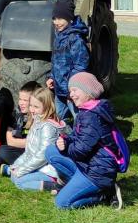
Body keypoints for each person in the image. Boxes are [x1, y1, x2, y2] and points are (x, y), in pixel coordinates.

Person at [43, 72, 122, 209]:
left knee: (62, 203)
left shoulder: (91, 117)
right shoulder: (87, 111)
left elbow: (80, 150)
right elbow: (77, 137)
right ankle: (81, 187)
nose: (71, 94)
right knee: (51, 151)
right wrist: (65, 140)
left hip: (97, 172)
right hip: (88, 165)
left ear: (88, 92)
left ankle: (103, 195)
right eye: (70, 91)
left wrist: (66, 147)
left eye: (75, 90)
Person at [4, 86, 64, 192]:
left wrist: (21, 170)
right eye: (31, 105)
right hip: (39, 167)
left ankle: (54, 185)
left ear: (46, 106)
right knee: (14, 176)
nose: (32, 109)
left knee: (18, 181)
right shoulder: (37, 121)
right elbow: (29, 151)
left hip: (49, 171)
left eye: (36, 107)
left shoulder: (48, 127)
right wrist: (16, 166)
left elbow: (42, 156)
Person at [48, 0, 90, 123]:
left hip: (72, 91)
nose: (56, 22)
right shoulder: (59, 35)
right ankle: (64, 134)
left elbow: (80, 65)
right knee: (59, 119)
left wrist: (72, 87)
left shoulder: (75, 38)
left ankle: (82, 134)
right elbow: (56, 61)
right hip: (59, 88)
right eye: (54, 18)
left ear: (69, 18)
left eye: (60, 18)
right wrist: (52, 77)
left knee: (79, 118)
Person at [0, 80, 40, 166]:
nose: (21, 103)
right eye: (20, 99)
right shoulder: (16, 114)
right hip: (19, 150)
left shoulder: (39, 116)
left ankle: (23, 166)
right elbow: (10, 140)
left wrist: (22, 142)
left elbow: (37, 143)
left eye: (25, 100)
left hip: (35, 151)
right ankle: (26, 166)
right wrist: (25, 142)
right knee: (2, 151)